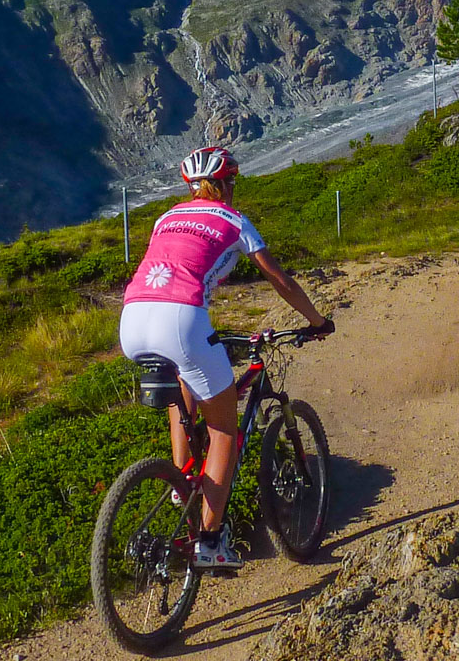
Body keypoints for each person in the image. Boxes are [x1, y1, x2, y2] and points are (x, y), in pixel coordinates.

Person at [119, 146, 332, 570]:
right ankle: (212, 543)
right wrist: (316, 320)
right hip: (182, 320)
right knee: (223, 431)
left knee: (186, 395)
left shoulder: (166, 218)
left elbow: (172, 266)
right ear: (228, 184)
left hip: (131, 318)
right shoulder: (234, 219)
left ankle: (181, 482)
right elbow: (278, 278)